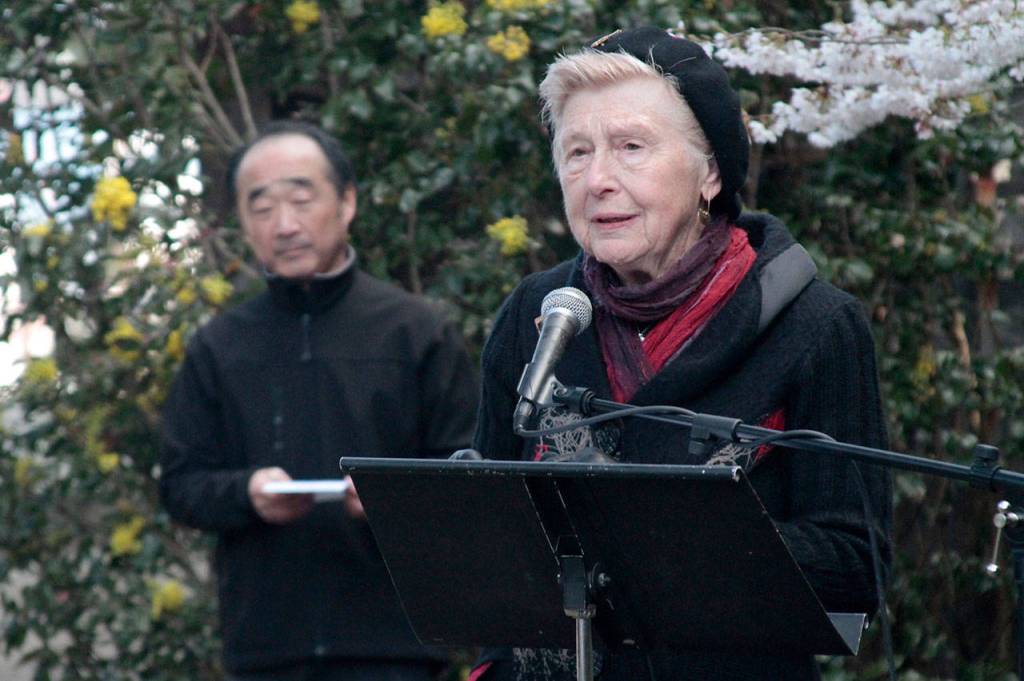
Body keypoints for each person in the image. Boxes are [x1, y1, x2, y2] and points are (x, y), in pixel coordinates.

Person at [470, 27, 893, 681]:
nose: (598, 179)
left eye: (631, 147)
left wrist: (671, 540)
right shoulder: (540, 314)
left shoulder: (814, 325)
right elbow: (490, 554)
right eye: (577, 152)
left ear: (711, 173)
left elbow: (855, 563)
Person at [159, 120, 479, 681]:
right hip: (267, 651)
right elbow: (181, 485)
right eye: (262, 208)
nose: (285, 225)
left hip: (396, 649)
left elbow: (470, 473)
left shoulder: (415, 331)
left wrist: (392, 496)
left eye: (302, 200)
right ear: (243, 223)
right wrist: (247, 494)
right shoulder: (219, 346)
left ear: (347, 202)